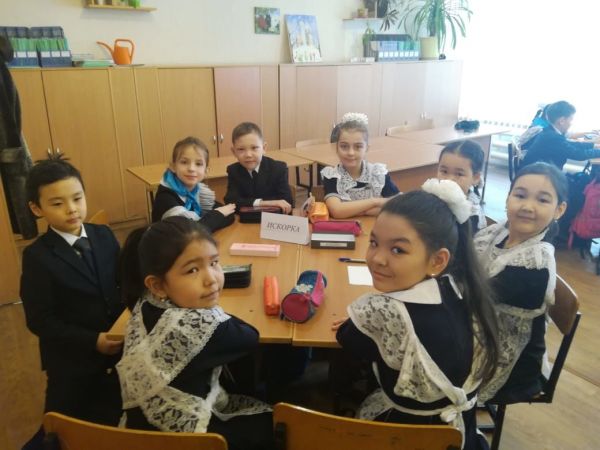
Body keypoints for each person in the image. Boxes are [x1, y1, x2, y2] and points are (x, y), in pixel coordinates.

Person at [334, 180, 499, 450]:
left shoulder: (383, 310)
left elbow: (348, 339)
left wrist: (366, 321)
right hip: (462, 435)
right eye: (374, 242)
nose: (377, 258)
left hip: (405, 437)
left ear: (437, 260)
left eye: (397, 250)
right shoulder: (464, 289)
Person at [117, 216, 273, 450]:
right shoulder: (199, 326)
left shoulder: (146, 302)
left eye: (214, 262)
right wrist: (211, 311)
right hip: (185, 440)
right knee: (274, 423)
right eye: (192, 270)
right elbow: (250, 337)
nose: (211, 279)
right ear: (157, 285)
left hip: (140, 430)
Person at [20, 154, 124, 447]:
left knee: (117, 420)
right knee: (60, 432)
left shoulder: (103, 235)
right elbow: (40, 320)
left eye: (77, 198)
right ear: (36, 208)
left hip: (119, 348)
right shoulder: (37, 257)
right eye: (57, 203)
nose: (71, 209)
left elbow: (121, 284)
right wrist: (93, 341)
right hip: (72, 359)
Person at [474, 162, 567, 404]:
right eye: (520, 195)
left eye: (542, 200)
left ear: (559, 210)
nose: (527, 206)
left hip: (513, 361)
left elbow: (472, 296)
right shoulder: (499, 232)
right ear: (508, 198)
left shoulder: (534, 266)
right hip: (481, 328)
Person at [321, 113, 399, 219]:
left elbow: (399, 205)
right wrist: (375, 202)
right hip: (345, 228)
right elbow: (337, 211)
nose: (351, 153)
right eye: (344, 146)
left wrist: (355, 211)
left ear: (367, 148)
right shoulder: (332, 176)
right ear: (336, 148)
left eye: (358, 147)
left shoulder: (377, 173)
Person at [152, 136, 235, 232]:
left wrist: (207, 223)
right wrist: (215, 217)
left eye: (198, 164)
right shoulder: (165, 197)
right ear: (173, 166)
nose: (191, 169)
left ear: (206, 171)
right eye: (184, 162)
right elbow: (189, 232)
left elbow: (228, 214)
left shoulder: (197, 190)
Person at [224, 122, 293, 214]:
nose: (248, 155)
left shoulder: (278, 168)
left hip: (273, 219)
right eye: (241, 149)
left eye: (254, 148)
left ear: (264, 148)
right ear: (234, 152)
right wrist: (266, 203)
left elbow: (287, 202)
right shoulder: (233, 170)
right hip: (246, 220)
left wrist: (247, 203)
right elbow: (231, 202)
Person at [520, 100, 600, 170]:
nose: (572, 123)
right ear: (561, 121)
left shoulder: (550, 131)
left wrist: (594, 145)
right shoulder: (553, 137)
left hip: (538, 170)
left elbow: (570, 144)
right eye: (571, 119)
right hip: (538, 175)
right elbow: (578, 154)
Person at [437, 140, 487, 231]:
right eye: (444, 171)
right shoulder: (435, 195)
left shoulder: (472, 215)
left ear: (475, 178)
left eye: (459, 174)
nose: (449, 180)